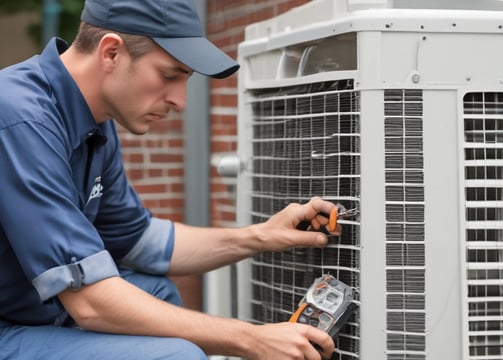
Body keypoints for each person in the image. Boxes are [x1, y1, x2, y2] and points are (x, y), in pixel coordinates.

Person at [0, 1, 340, 359]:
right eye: (169, 75)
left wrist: (261, 236)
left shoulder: (96, 125)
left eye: (186, 80)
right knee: (177, 355)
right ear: (111, 52)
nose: (179, 101)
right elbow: (90, 302)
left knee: (155, 291)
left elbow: (140, 241)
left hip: (36, 311)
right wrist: (251, 339)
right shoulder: (20, 117)